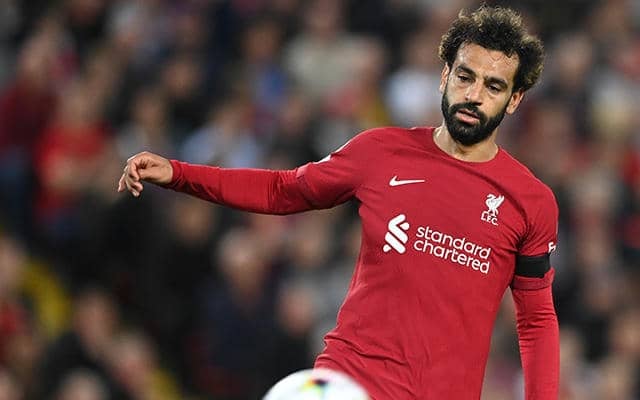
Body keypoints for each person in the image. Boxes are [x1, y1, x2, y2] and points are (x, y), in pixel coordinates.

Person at [118, 5, 559, 399]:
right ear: (444, 76)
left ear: (514, 100)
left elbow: (535, 320)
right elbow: (282, 190)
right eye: (465, 76)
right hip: (349, 383)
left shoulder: (530, 202)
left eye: (493, 86)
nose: (474, 95)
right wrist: (180, 174)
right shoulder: (380, 152)